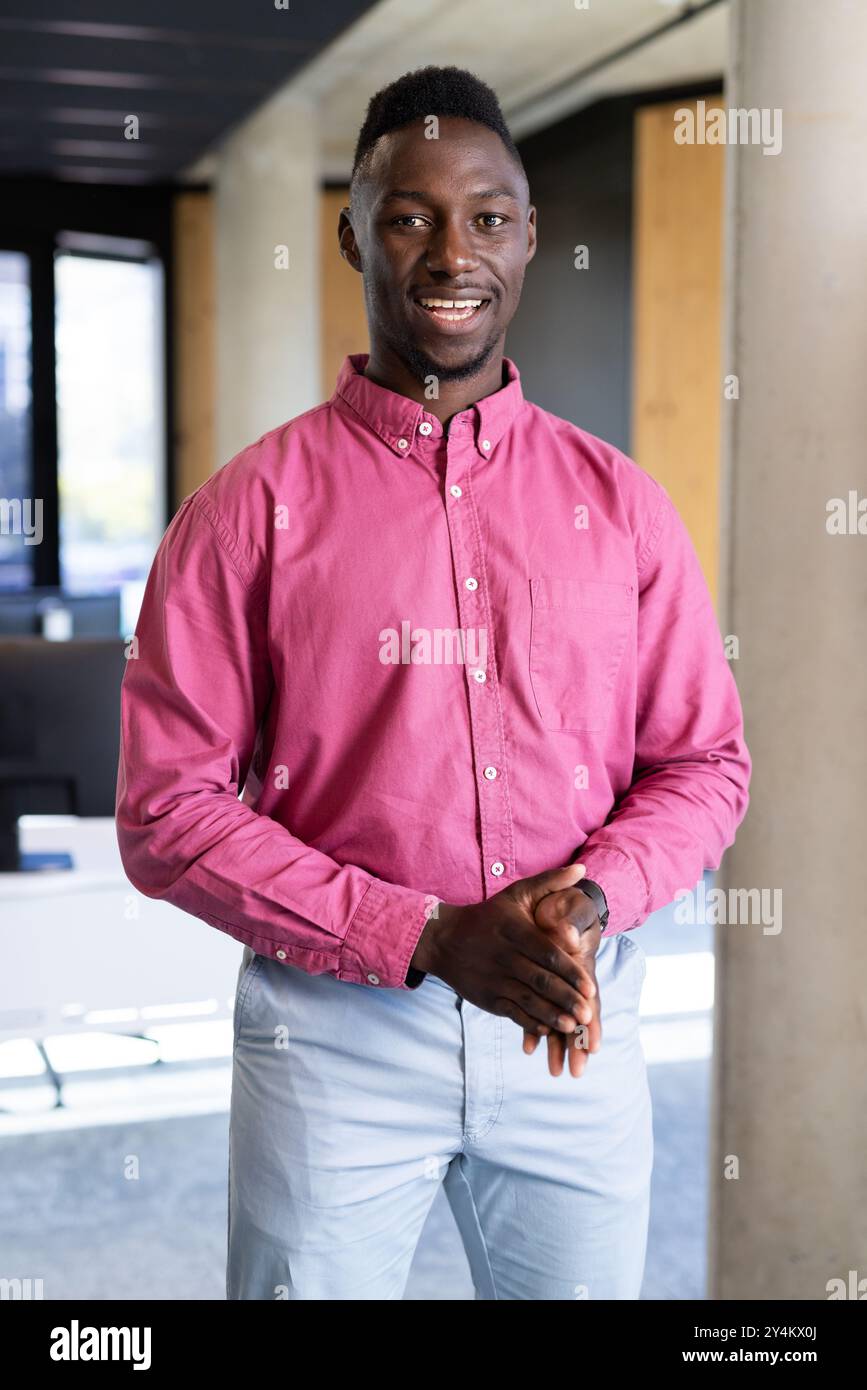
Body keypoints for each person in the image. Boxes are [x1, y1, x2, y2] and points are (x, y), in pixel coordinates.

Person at [115, 65, 751, 1300]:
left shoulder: (623, 509)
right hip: (333, 1045)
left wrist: (590, 901)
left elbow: (704, 764)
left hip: (570, 1024)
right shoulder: (245, 514)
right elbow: (165, 812)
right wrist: (422, 934)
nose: (453, 251)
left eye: (489, 218)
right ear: (354, 232)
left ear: (527, 239)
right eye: (411, 216)